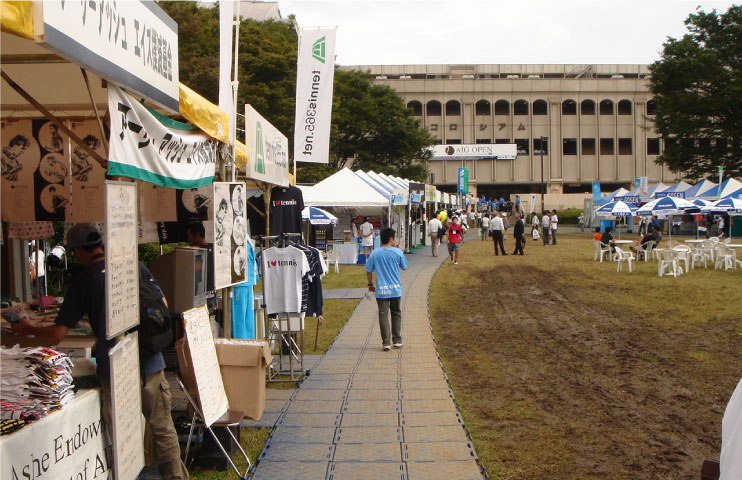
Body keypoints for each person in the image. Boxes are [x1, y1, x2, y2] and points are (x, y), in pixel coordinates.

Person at [12, 223, 189, 480]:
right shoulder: (132, 266)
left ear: (78, 252)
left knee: (121, 437)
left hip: (115, 369)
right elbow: (163, 303)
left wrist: (25, 328)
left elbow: (58, 334)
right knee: (162, 429)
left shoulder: (84, 281)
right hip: (150, 361)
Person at [365, 228, 407, 351]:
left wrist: (370, 284)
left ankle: (386, 342)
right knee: (396, 313)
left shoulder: (374, 253)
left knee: (383, 315)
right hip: (395, 289)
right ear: (391, 239)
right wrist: (400, 251)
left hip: (381, 290)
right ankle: (397, 340)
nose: (395, 240)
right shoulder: (397, 252)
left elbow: (369, 270)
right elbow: (404, 266)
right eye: (395, 237)